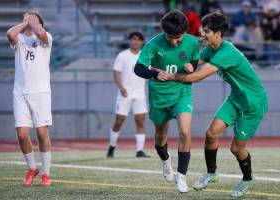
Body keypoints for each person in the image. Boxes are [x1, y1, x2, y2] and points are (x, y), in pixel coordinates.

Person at [154, 12, 268, 197]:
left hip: (253, 103)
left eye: (206, 31)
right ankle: (212, 173)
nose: (202, 35)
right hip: (236, 98)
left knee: (236, 149)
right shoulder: (212, 49)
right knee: (211, 134)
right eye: (202, 31)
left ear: (218, 34)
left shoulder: (226, 52)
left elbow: (198, 76)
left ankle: (247, 178)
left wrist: (171, 76)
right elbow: (193, 61)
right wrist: (179, 62)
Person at [134, 9, 200, 193]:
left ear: (185, 32)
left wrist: (191, 66)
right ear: (164, 32)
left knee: (185, 132)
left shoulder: (193, 42)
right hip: (159, 95)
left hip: (182, 92)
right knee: (160, 136)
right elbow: (138, 69)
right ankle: (165, 160)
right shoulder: (153, 44)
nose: (174, 41)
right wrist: (154, 73)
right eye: (170, 37)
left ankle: (182, 176)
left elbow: (195, 60)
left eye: (178, 38)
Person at [7, 10, 53, 186]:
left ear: (40, 21)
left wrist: (34, 23)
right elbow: (10, 34)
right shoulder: (19, 39)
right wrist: (25, 22)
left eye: (34, 17)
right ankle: (33, 168)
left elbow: (41, 34)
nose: (30, 20)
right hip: (20, 93)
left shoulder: (45, 36)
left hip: (41, 93)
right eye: (27, 17)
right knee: (22, 134)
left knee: (42, 133)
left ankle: (46, 173)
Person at [106, 32, 150, 158]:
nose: (136, 42)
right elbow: (116, 73)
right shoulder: (122, 55)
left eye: (138, 40)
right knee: (119, 121)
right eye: (133, 39)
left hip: (139, 93)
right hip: (125, 93)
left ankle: (139, 150)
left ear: (142, 42)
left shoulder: (145, 56)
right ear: (130, 41)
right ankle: (111, 147)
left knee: (140, 121)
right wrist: (121, 88)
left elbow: (149, 72)